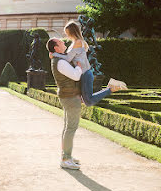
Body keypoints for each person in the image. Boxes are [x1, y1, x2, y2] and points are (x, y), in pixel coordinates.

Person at [46, 38, 123, 170]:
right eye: (61, 43)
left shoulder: (58, 59)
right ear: (56, 48)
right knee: (71, 128)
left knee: (68, 128)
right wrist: (78, 67)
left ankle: (66, 156)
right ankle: (66, 159)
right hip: (70, 98)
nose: (64, 43)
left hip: (69, 96)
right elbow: (76, 76)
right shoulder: (60, 63)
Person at [50, 21, 127, 107]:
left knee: (89, 101)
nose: (66, 35)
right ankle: (111, 87)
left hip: (86, 74)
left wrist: (54, 54)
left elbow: (68, 58)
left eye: (67, 33)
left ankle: (111, 88)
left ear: (72, 32)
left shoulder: (78, 42)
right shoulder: (74, 43)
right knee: (87, 101)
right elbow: (69, 57)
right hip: (83, 74)